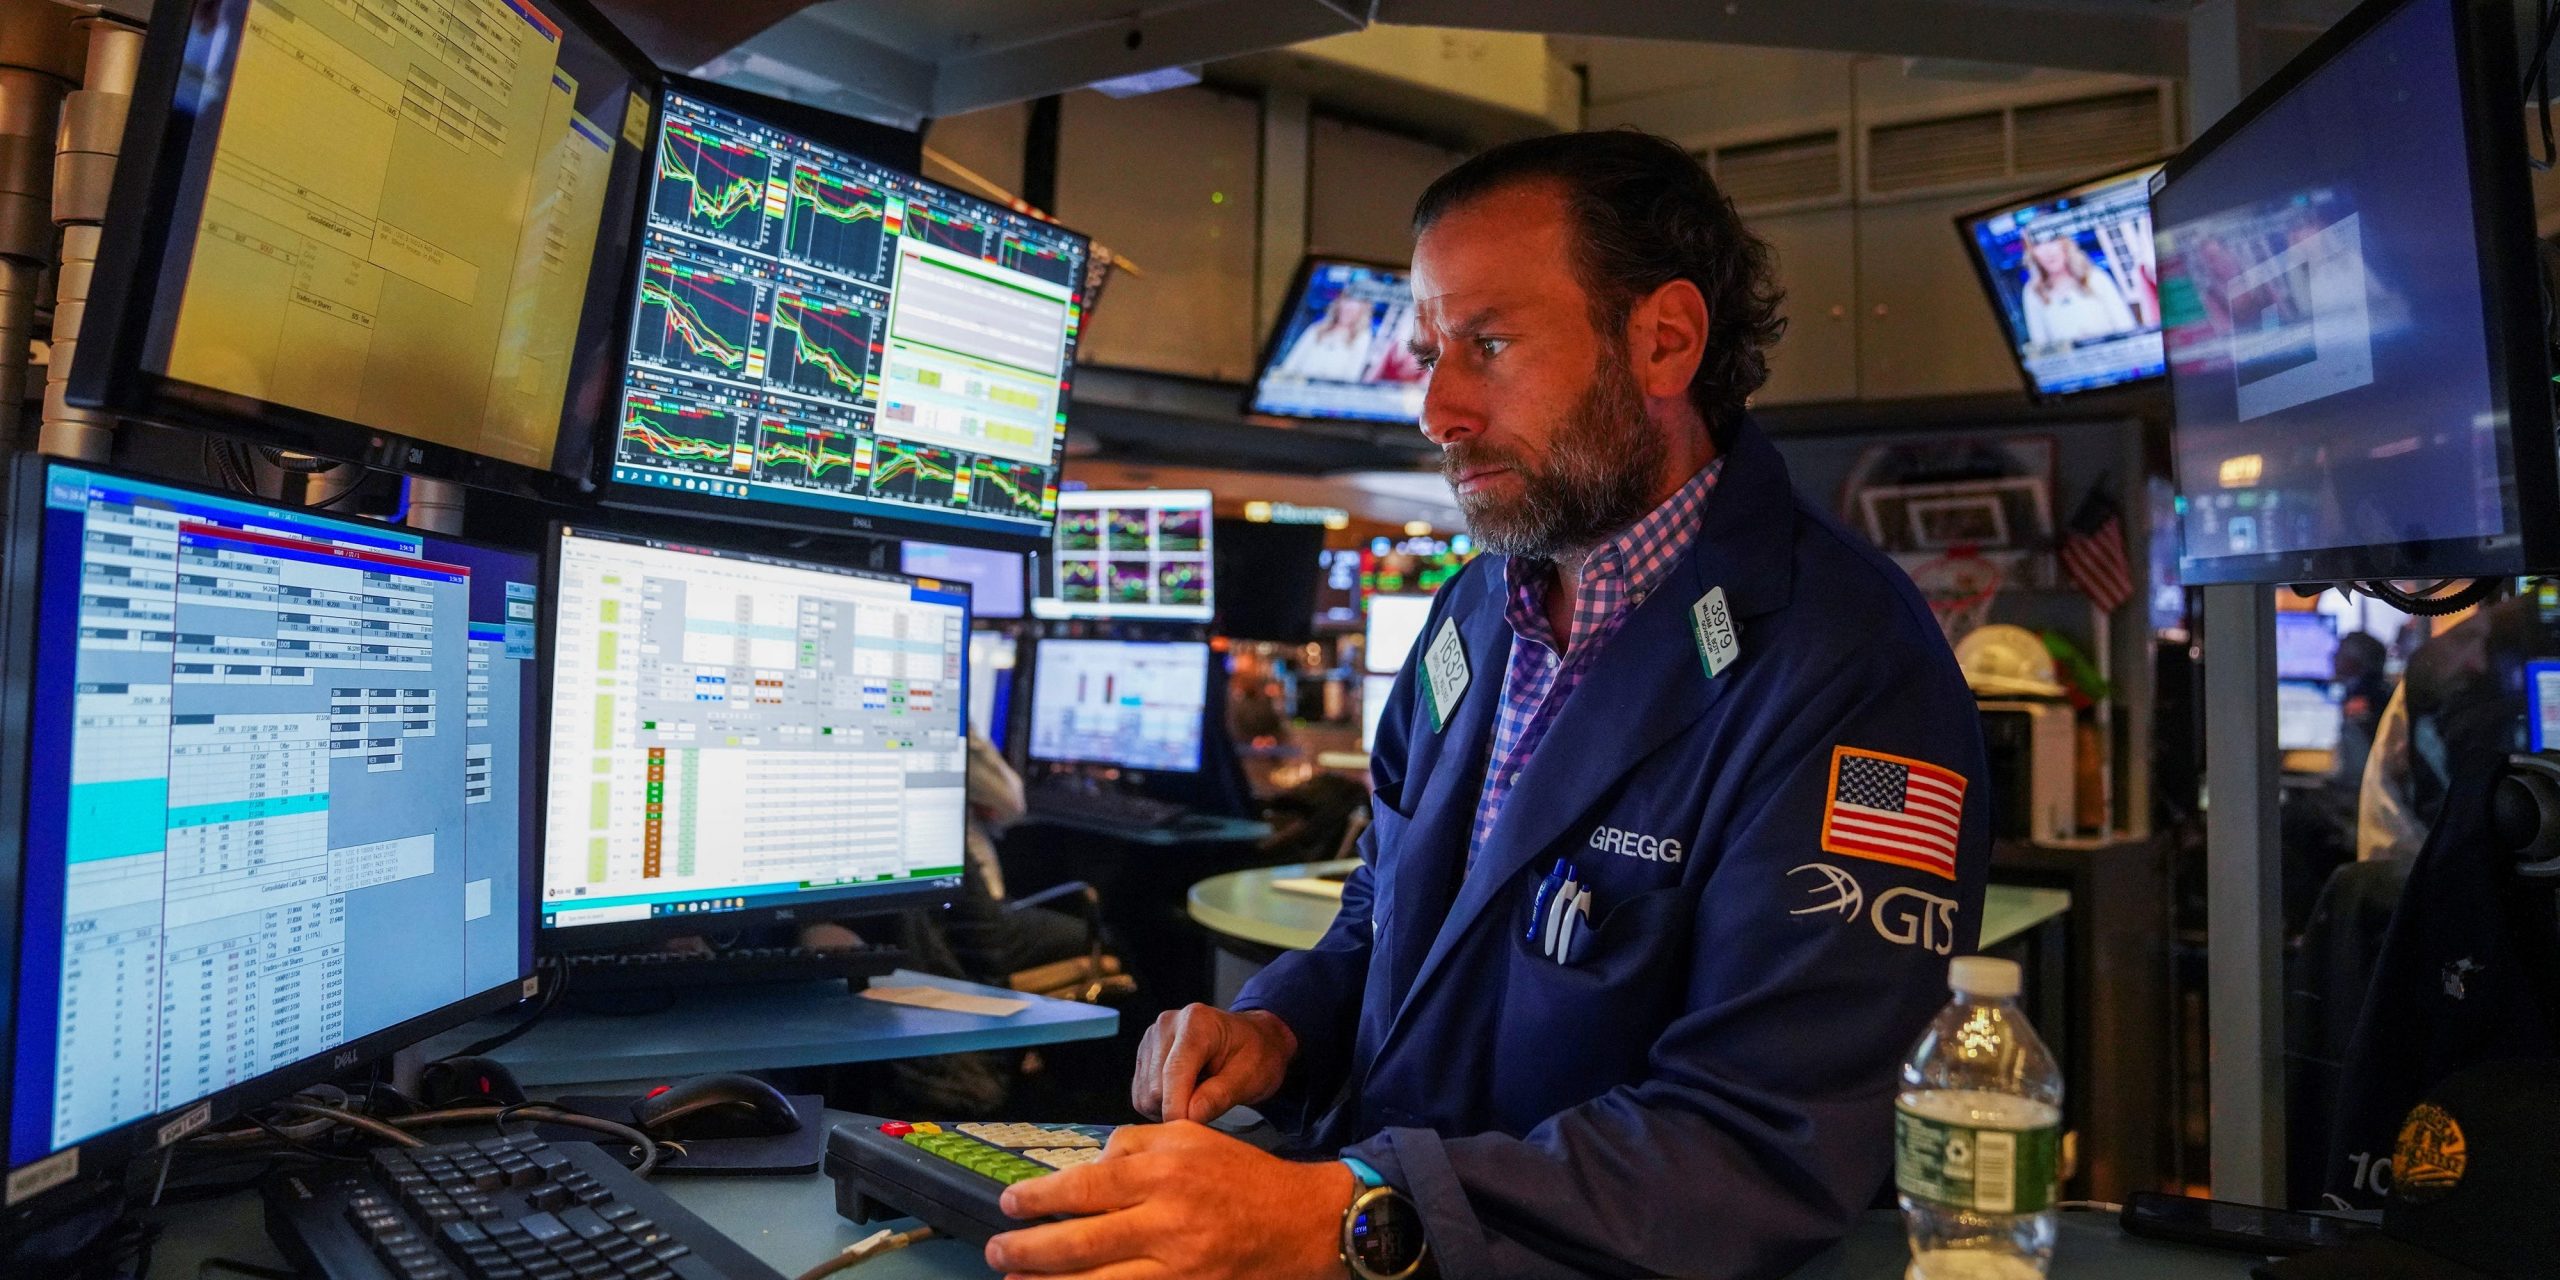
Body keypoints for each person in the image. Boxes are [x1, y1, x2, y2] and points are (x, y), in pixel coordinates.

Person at [981, 131, 1990, 1280]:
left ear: (1663, 341)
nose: (1435, 407)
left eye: (1489, 344)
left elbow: (1759, 1140)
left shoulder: (1846, 665)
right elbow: (1385, 915)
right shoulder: (1474, 612)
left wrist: (1340, 1212)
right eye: (1428, 350)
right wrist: (1273, 1028)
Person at [2019, 233, 2137, 347]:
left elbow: (2126, 326)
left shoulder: (2096, 278)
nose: (2048, 251)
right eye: (2038, 244)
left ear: (2065, 243)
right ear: (2031, 252)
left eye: (2052, 241)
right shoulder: (2032, 292)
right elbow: (2040, 344)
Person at [1275, 290, 1382, 383]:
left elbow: (1352, 375)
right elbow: (1291, 362)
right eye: (1345, 306)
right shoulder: (1316, 329)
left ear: (1361, 312)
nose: (1347, 311)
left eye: (1352, 311)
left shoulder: (1362, 337)